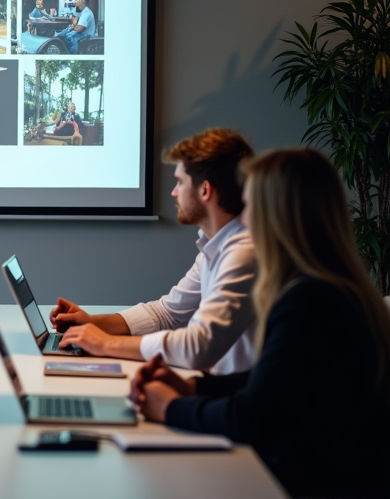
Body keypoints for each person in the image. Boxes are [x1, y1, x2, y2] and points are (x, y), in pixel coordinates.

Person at [133, 149, 390, 499]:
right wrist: (194, 389)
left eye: (249, 207)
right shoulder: (336, 292)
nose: (243, 221)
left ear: (277, 217)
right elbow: (274, 383)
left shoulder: (309, 302)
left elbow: (251, 418)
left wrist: (170, 407)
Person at [52, 128, 257, 373]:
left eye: (180, 182)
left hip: (235, 401)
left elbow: (198, 346)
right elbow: (167, 313)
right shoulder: (215, 246)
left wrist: (105, 343)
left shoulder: (244, 253)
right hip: (216, 390)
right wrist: (92, 323)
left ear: (205, 189)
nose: (173, 192)